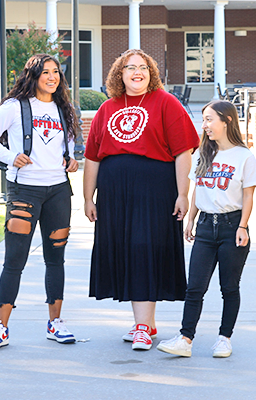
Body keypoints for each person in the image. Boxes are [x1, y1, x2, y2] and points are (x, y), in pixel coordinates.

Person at [84, 49, 199, 351]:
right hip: (115, 195)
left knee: (144, 250)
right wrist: (88, 197)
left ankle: (141, 327)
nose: (137, 72)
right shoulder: (108, 108)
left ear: (151, 72)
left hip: (155, 191)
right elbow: (93, 157)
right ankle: (145, 322)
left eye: (143, 67)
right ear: (119, 75)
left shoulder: (166, 103)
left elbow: (183, 152)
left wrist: (183, 194)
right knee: (129, 251)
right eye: (130, 67)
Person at [0, 54, 79, 350]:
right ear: (32, 76)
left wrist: (71, 160)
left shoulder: (64, 108)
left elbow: (68, 146)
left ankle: (55, 323)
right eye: (45, 72)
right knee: (14, 260)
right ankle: (1, 327)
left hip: (58, 191)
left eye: (56, 72)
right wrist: (11, 157)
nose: (52, 77)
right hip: (24, 191)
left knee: (55, 259)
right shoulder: (14, 107)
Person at [156, 100, 256, 358]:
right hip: (205, 225)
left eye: (209, 119)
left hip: (231, 226)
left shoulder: (243, 156)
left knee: (229, 287)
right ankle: (185, 338)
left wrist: (243, 226)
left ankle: (225, 338)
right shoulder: (202, 154)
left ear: (226, 121)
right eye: (203, 120)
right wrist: (191, 219)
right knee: (195, 287)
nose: (205, 125)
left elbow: (248, 196)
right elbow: (196, 191)